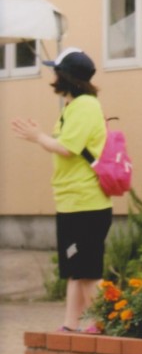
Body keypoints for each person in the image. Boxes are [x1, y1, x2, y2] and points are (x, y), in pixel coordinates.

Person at [11, 47, 112, 333]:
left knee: (87, 271)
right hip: (72, 202)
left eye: (56, 71)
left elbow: (67, 148)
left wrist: (38, 136)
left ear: (65, 76)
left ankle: (108, 326)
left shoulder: (86, 106)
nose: (53, 76)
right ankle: (69, 327)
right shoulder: (73, 106)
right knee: (75, 270)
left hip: (86, 203)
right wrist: (40, 136)